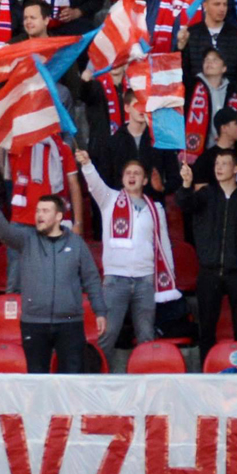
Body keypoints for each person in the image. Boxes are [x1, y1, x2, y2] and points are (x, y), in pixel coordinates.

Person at [0, 187, 107, 371]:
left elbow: (92, 279)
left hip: (70, 322)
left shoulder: (76, 243)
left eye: (45, 211)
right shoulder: (26, 239)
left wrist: (100, 311)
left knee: (72, 380)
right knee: (36, 380)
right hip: (34, 322)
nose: (39, 215)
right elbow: (7, 234)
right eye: (38, 210)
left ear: (59, 217)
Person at [76, 148, 175, 359]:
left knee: (147, 336)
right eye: (128, 173)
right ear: (122, 179)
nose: (132, 176)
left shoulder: (155, 208)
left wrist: (168, 279)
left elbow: (164, 244)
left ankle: (148, 383)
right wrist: (86, 164)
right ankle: (95, 379)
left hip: (146, 280)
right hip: (115, 280)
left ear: (145, 180)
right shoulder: (109, 200)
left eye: (137, 173)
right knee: (107, 334)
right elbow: (95, 184)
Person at [176, 149, 237, 362]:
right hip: (209, 272)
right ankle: (207, 372)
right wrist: (186, 184)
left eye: (224, 163)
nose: (219, 167)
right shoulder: (206, 194)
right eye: (217, 163)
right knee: (206, 329)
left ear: (235, 169)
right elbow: (184, 204)